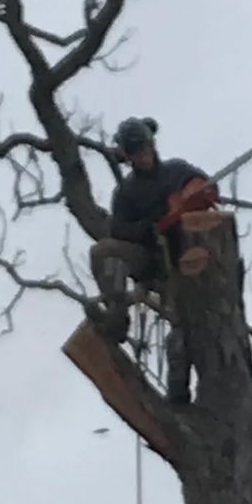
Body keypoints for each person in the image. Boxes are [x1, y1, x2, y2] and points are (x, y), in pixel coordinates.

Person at [89, 117, 218, 348]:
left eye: (145, 148)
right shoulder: (126, 193)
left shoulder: (176, 171)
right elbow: (118, 229)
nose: (143, 155)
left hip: (188, 257)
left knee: (187, 335)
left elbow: (208, 187)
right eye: (137, 152)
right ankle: (117, 316)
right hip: (151, 260)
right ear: (128, 157)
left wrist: (191, 193)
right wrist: (147, 227)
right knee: (103, 251)